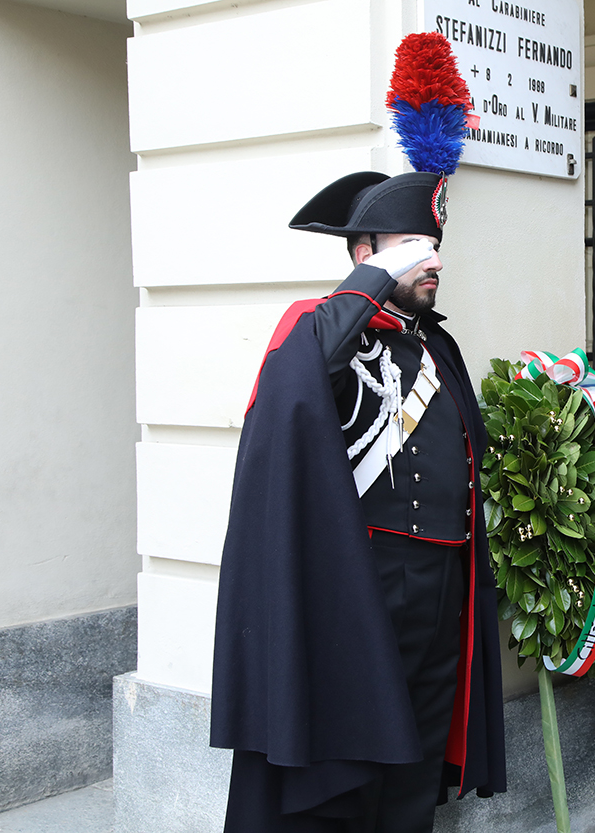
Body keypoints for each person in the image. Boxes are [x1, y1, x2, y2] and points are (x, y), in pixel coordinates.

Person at [209, 169, 506, 833]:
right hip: (361, 583)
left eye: (434, 244)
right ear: (364, 255)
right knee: (350, 761)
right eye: (411, 246)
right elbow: (300, 383)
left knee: (415, 764)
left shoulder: (437, 346)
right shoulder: (322, 326)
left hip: (442, 586)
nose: (431, 261)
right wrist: (368, 286)